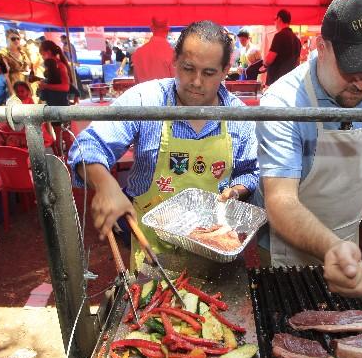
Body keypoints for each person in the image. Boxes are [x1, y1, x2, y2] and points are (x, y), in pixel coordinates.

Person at [68, 20, 259, 271]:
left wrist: (235, 190)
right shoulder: (146, 100)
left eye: (209, 73)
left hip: (214, 249)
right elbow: (88, 145)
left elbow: (251, 171)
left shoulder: (238, 116)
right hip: (153, 251)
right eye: (188, 68)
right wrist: (105, 184)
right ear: (175, 62)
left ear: (226, 71)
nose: (197, 82)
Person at [255, 0, 362, 297]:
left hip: (347, 240)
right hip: (289, 249)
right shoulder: (283, 102)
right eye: (352, 68)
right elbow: (280, 201)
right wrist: (332, 248)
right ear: (322, 48)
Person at [261, 9, 301, 86]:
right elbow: (297, 63)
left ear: (279, 19)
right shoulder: (297, 40)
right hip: (289, 81)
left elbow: (269, 59)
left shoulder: (279, 36)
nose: (274, 23)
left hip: (277, 81)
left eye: (275, 20)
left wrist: (264, 63)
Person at [131, 18, 174, 83]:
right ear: (167, 29)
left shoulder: (138, 53)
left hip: (143, 92)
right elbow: (177, 84)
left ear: (151, 28)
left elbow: (136, 82)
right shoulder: (172, 54)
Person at [0, 29, 30, 94]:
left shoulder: (22, 52)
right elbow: (5, 75)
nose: (16, 40)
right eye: (13, 39)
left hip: (25, 83)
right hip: (12, 84)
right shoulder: (4, 54)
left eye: (18, 38)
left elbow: (28, 68)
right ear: (7, 39)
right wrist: (11, 91)